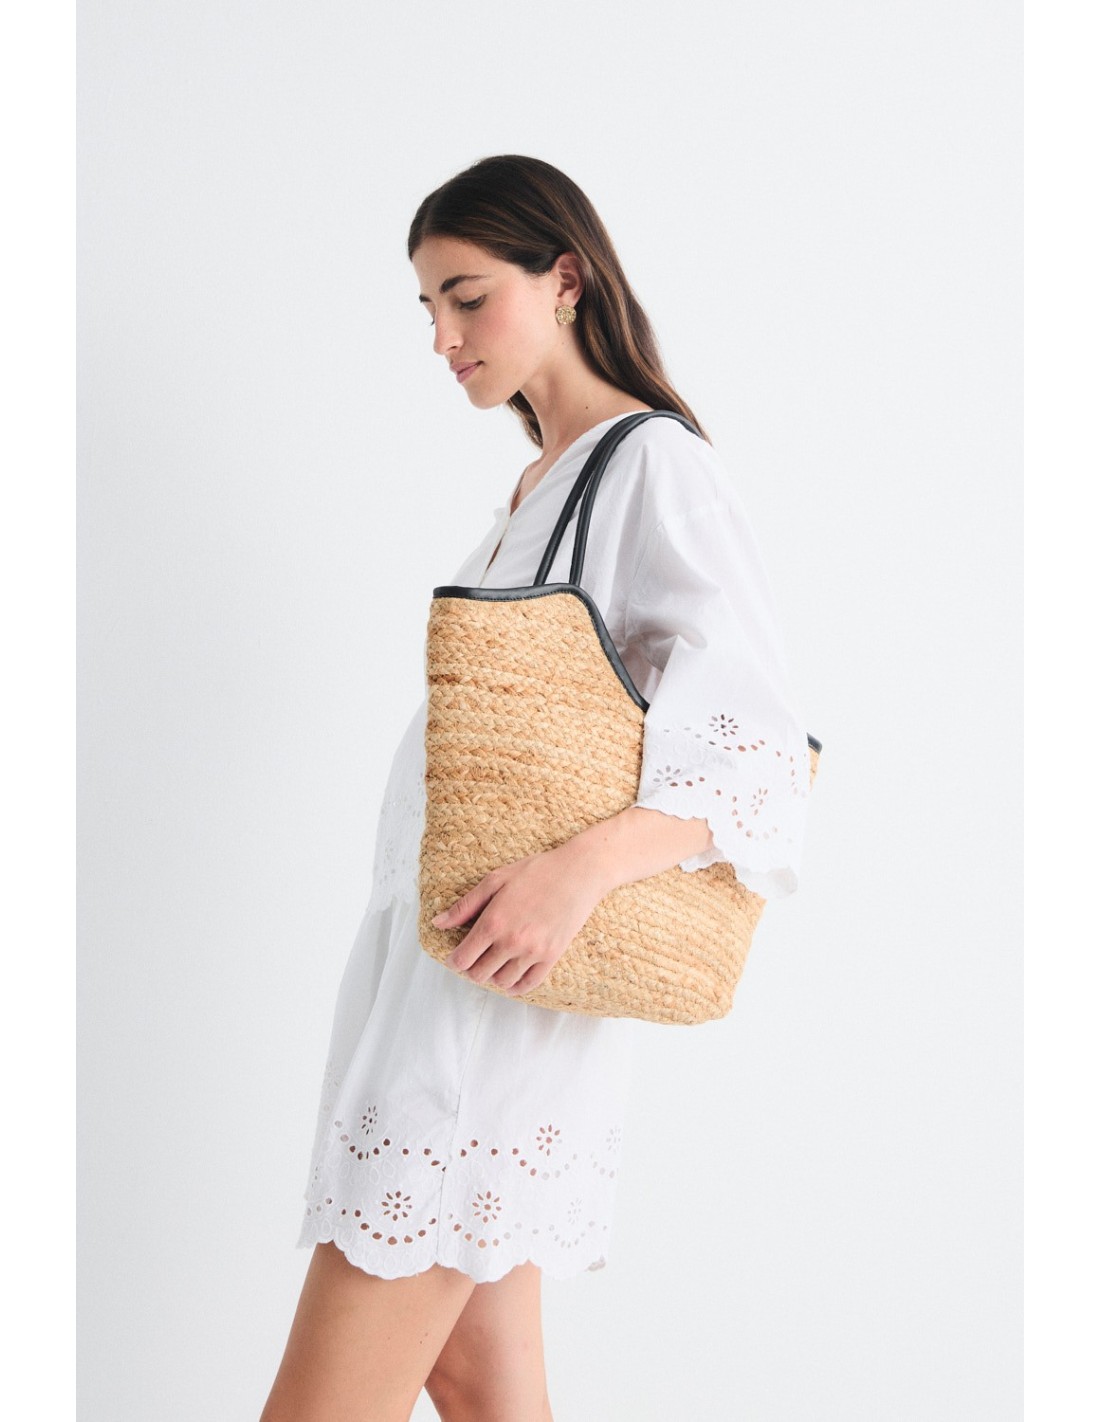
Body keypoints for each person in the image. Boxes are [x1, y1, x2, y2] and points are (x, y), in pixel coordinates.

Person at [259, 154, 813, 1422]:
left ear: (564, 279)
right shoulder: (544, 484)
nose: (443, 338)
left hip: (487, 1009)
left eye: (467, 297)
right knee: (477, 1383)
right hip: (444, 975)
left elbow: (760, 749)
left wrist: (575, 875)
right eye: (427, 309)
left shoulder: (650, 465)